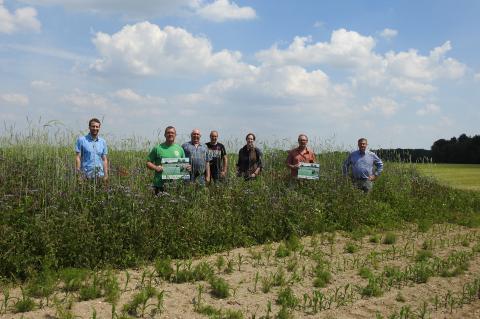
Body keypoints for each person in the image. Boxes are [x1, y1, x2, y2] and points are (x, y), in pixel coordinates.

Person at [147, 126, 186, 194]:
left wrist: (187, 167)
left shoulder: (180, 149)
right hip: (159, 184)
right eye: (168, 133)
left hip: (175, 184)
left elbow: (184, 166)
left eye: (172, 133)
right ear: (165, 135)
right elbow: (148, 162)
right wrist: (156, 167)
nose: (170, 134)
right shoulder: (157, 148)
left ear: (175, 135)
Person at [75, 118, 108, 182]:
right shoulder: (81, 140)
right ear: (89, 127)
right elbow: (78, 157)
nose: (95, 128)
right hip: (85, 175)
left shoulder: (103, 142)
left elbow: (104, 159)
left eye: (97, 127)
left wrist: (106, 174)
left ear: (99, 128)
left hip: (99, 175)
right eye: (93, 126)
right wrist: (78, 174)